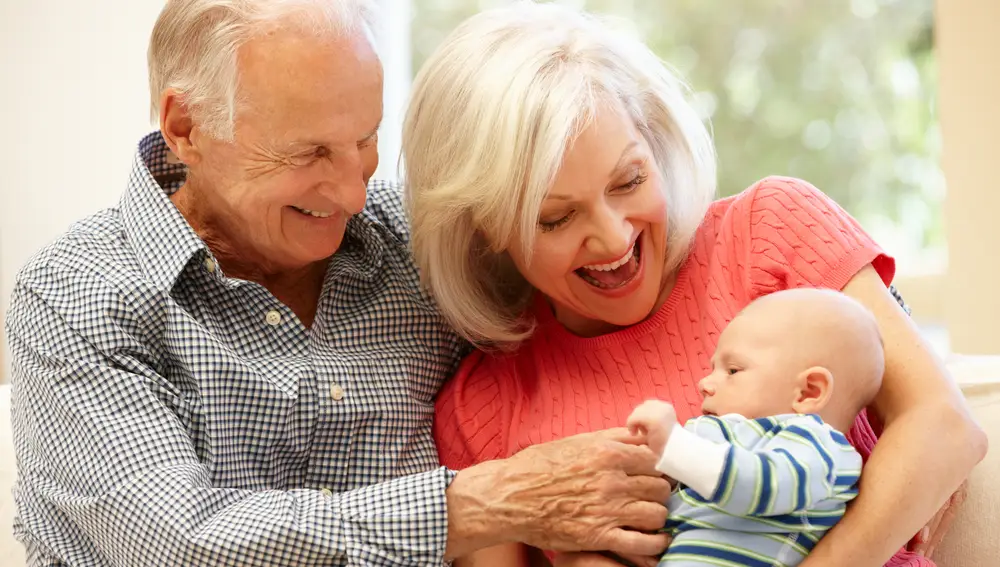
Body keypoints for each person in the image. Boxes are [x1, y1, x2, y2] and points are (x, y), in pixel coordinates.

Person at [5, 1, 675, 565]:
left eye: (365, 139)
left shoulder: (412, 245)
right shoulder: (76, 296)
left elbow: (591, 308)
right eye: (310, 153)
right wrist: (479, 502)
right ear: (187, 128)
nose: (354, 192)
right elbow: (178, 542)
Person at [401, 2, 987, 566]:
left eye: (629, 180)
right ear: (485, 229)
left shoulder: (770, 232)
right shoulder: (483, 408)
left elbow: (944, 427)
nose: (611, 238)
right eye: (556, 218)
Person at [626, 288, 886, 566]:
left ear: (808, 392)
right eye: (713, 368)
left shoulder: (821, 450)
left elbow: (758, 486)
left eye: (733, 370)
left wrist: (674, 447)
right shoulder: (725, 436)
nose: (704, 384)